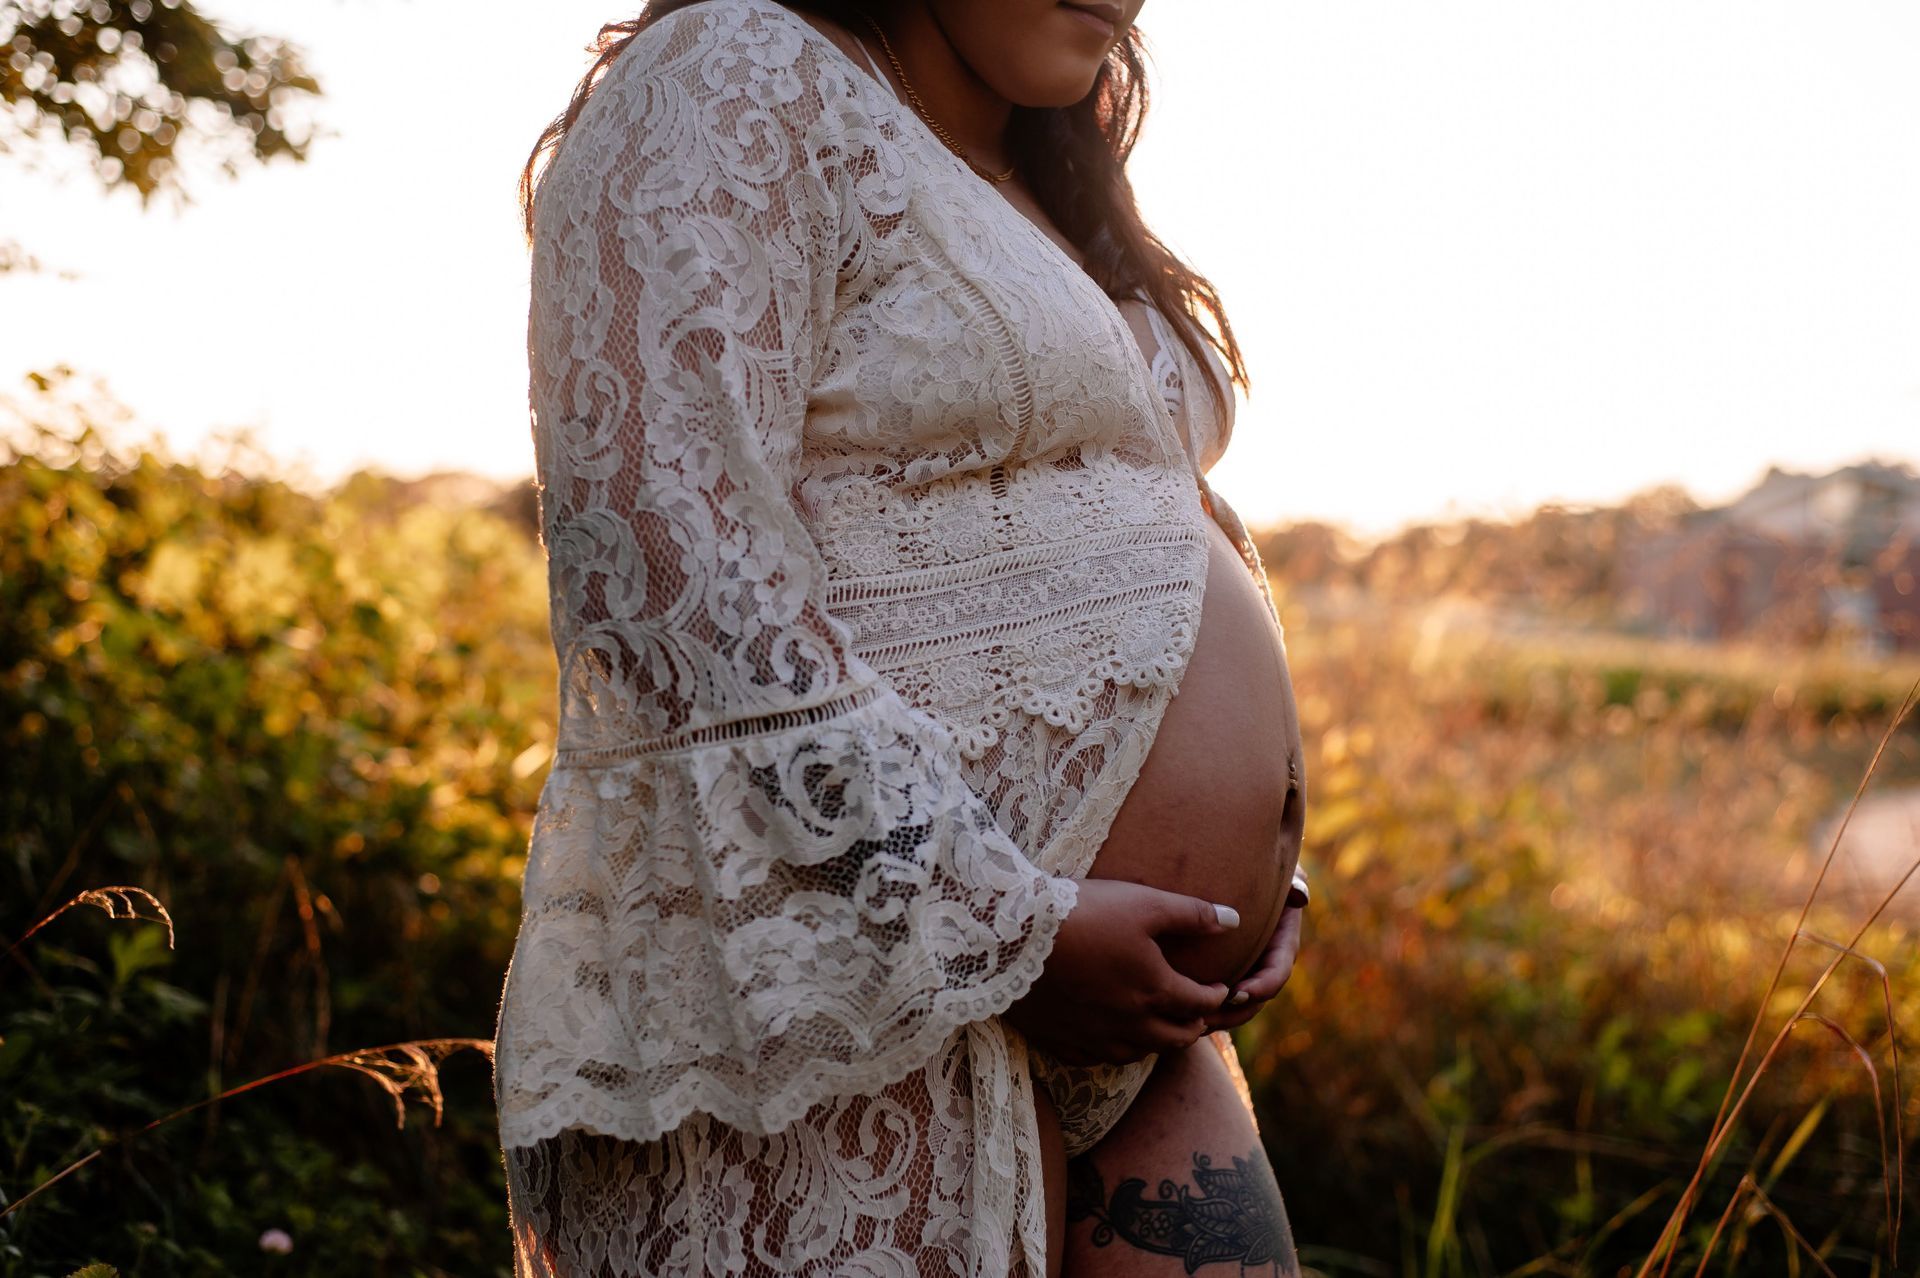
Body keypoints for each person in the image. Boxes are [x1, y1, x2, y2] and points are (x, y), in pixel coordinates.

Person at [491, 0, 1311, 1273]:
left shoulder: (1040, 155)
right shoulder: (735, 72)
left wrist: (1261, 870)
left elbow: (1143, 519)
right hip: (859, 1015)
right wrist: (1000, 925)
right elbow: (668, 562)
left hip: (1131, 1024)